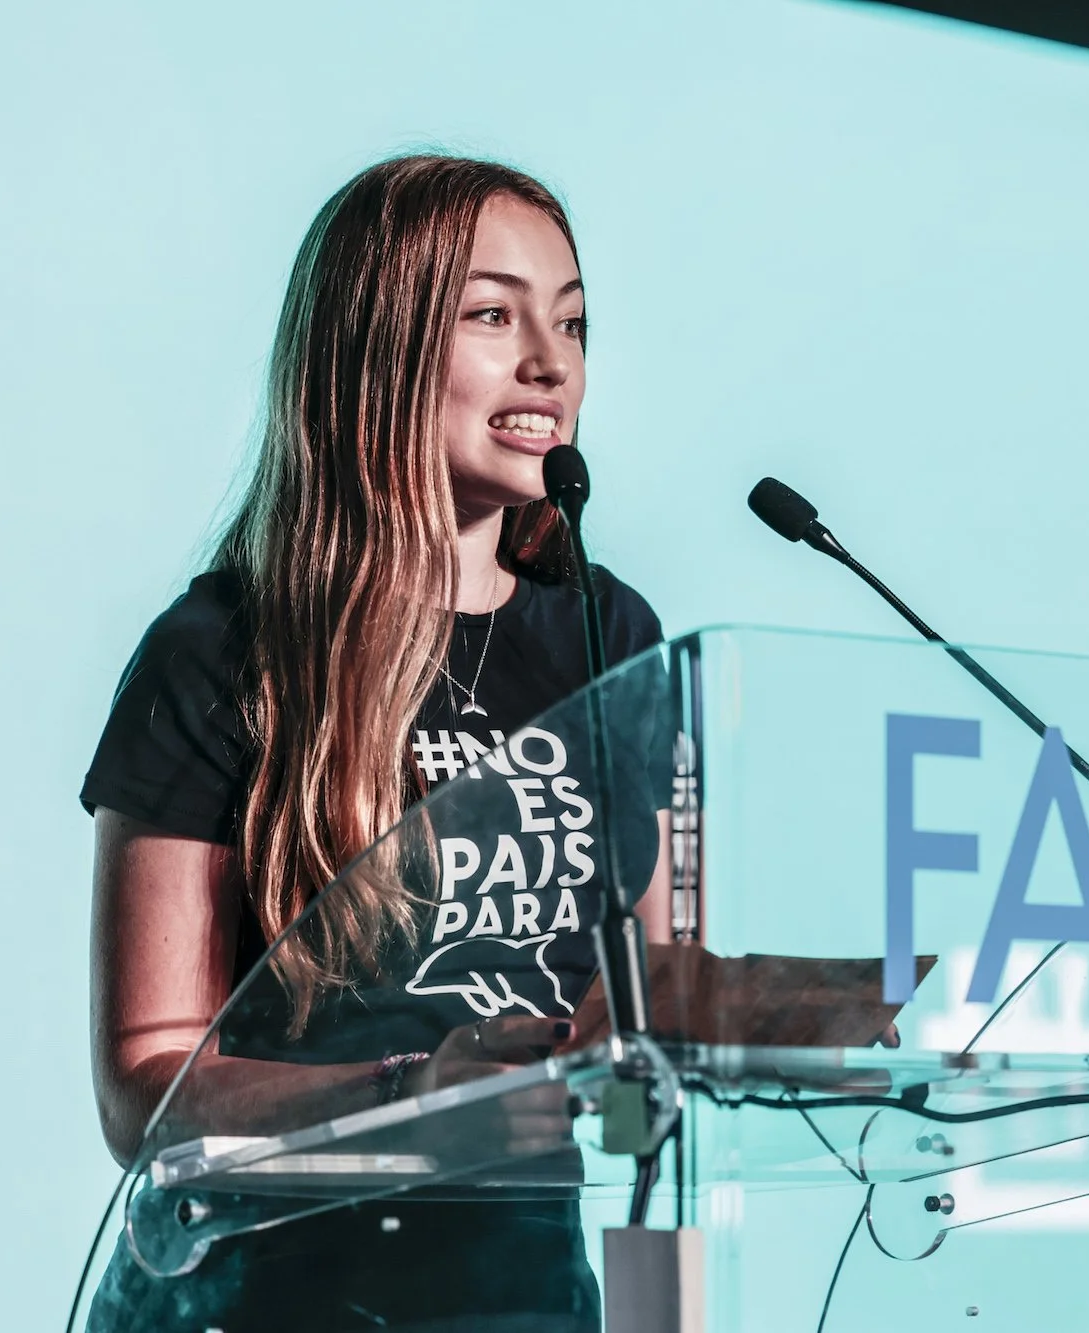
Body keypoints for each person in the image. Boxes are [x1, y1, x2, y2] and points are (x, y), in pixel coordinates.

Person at [80, 154, 671, 1332]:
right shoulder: (222, 649)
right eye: (494, 315)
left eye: (572, 323)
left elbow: (642, 1034)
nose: (550, 365)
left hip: (522, 1295)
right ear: (377, 346)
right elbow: (145, 1090)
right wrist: (416, 1093)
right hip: (263, 1299)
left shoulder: (613, 638)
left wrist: (746, 1027)